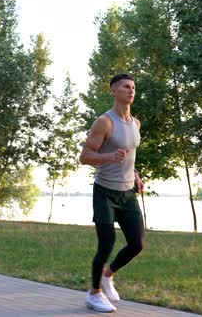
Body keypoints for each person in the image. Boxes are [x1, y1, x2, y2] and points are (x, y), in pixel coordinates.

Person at [79, 73, 145, 313]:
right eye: (126, 87)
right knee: (106, 245)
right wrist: (109, 157)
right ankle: (93, 293)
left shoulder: (135, 123)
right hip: (105, 192)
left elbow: (129, 155)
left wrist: (136, 175)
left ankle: (108, 276)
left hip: (127, 193)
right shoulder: (104, 122)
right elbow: (85, 156)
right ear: (114, 91)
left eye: (134, 87)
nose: (131, 91)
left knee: (137, 244)